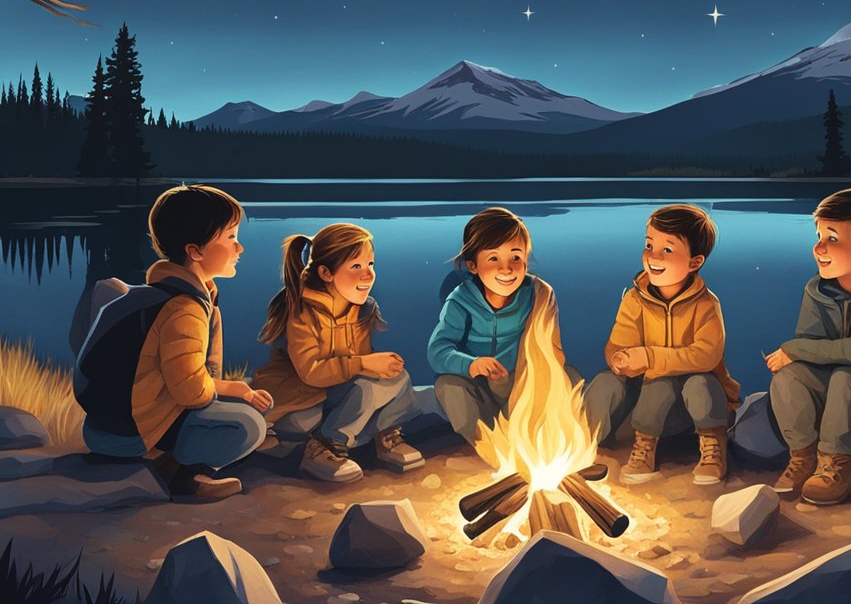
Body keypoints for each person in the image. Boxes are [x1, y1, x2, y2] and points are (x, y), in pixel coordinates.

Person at [82, 184, 270, 502]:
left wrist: (233, 389)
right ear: (195, 251)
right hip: (128, 435)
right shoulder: (183, 307)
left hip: (107, 424)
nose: (240, 249)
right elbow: (191, 392)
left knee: (248, 393)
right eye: (231, 238)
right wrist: (234, 390)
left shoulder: (174, 293)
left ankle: (173, 457)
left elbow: (197, 377)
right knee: (249, 425)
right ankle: (177, 475)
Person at [764, 188, 851, 505]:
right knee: (789, 377)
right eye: (818, 236)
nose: (819, 248)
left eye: (832, 239)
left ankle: (837, 463)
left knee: (846, 377)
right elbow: (809, 344)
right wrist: (800, 351)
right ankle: (804, 455)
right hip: (832, 391)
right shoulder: (816, 291)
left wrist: (796, 348)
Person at [583, 204, 741, 485]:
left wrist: (650, 358)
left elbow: (706, 355)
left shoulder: (706, 304)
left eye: (667, 250)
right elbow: (618, 343)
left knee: (695, 383)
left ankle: (712, 446)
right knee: (608, 382)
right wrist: (621, 359)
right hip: (647, 403)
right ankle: (593, 445)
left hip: (692, 406)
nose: (653, 256)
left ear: (695, 262)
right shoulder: (634, 299)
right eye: (649, 245)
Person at [253, 223, 423, 483]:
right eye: (356, 266)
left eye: (371, 265)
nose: (368, 275)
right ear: (326, 272)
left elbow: (358, 367)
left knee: (397, 379)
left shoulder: (363, 309)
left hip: (333, 392)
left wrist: (377, 366)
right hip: (301, 401)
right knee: (359, 392)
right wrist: (364, 363)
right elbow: (311, 372)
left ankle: (383, 435)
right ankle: (325, 446)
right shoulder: (301, 309)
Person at [427, 207, 580, 443]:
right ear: (473, 265)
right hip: (478, 387)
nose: (506, 268)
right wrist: (473, 364)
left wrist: (528, 381)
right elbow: (438, 351)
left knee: (569, 375)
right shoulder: (461, 300)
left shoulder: (539, 294)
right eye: (493, 258)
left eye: (515, 257)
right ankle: (486, 445)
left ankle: (544, 441)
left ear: (526, 261)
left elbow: (552, 351)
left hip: (523, 385)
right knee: (448, 386)